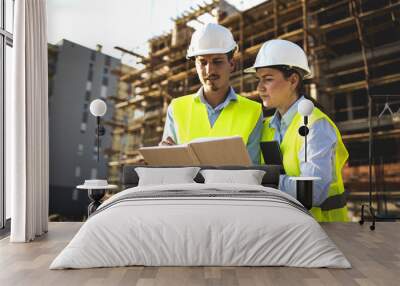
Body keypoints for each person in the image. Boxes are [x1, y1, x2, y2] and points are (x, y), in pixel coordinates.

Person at [245, 39, 349, 222]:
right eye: (259, 80)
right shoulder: (265, 127)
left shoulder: (315, 126)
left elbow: (312, 192)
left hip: (325, 231)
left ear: (293, 80)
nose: (259, 88)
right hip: (286, 228)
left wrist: (260, 178)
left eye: (268, 79)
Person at [160, 23, 263, 165]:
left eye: (217, 61)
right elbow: (168, 164)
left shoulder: (253, 111)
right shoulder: (177, 108)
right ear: (195, 65)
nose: (210, 70)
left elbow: (254, 171)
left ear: (232, 64)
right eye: (202, 62)